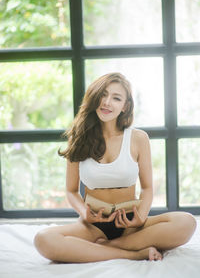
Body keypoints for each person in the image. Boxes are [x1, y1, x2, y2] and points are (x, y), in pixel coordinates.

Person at [34, 72, 196, 263]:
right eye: (103, 94)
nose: (107, 102)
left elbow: (147, 188)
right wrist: (84, 212)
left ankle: (104, 248)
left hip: (130, 223)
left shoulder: (138, 138)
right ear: (94, 97)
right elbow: (71, 191)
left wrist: (141, 216)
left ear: (125, 106)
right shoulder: (79, 138)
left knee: (187, 221)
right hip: (94, 225)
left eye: (116, 98)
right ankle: (134, 253)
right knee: (43, 239)